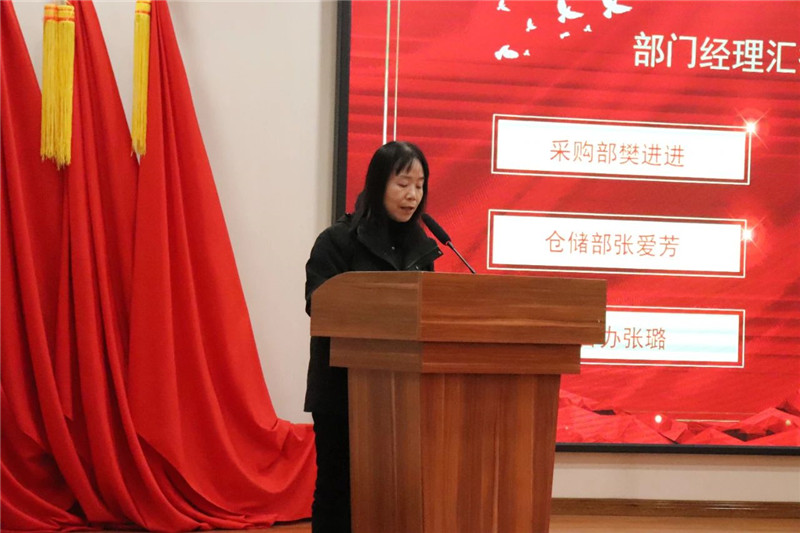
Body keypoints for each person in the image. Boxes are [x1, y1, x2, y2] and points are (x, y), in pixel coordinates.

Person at [303, 141, 443, 533]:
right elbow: (319, 305)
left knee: (394, 492)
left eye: (419, 185)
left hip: (402, 395)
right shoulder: (337, 241)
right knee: (338, 490)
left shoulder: (422, 249)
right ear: (379, 183)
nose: (412, 195)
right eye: (403, 183)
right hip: (342, 392)